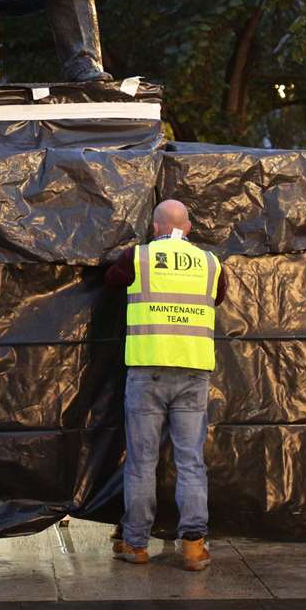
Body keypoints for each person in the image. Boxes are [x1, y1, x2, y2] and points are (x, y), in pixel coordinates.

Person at [103, 199, 225, 571]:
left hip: (148, 370)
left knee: (142, 463)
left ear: (155, 228)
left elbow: (110, 284)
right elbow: (217, 298)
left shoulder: (136, 258)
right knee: (190, 462)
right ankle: (193, 546)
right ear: (187, 228)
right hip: (192, 372)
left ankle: (136, 545)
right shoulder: (210, 263)